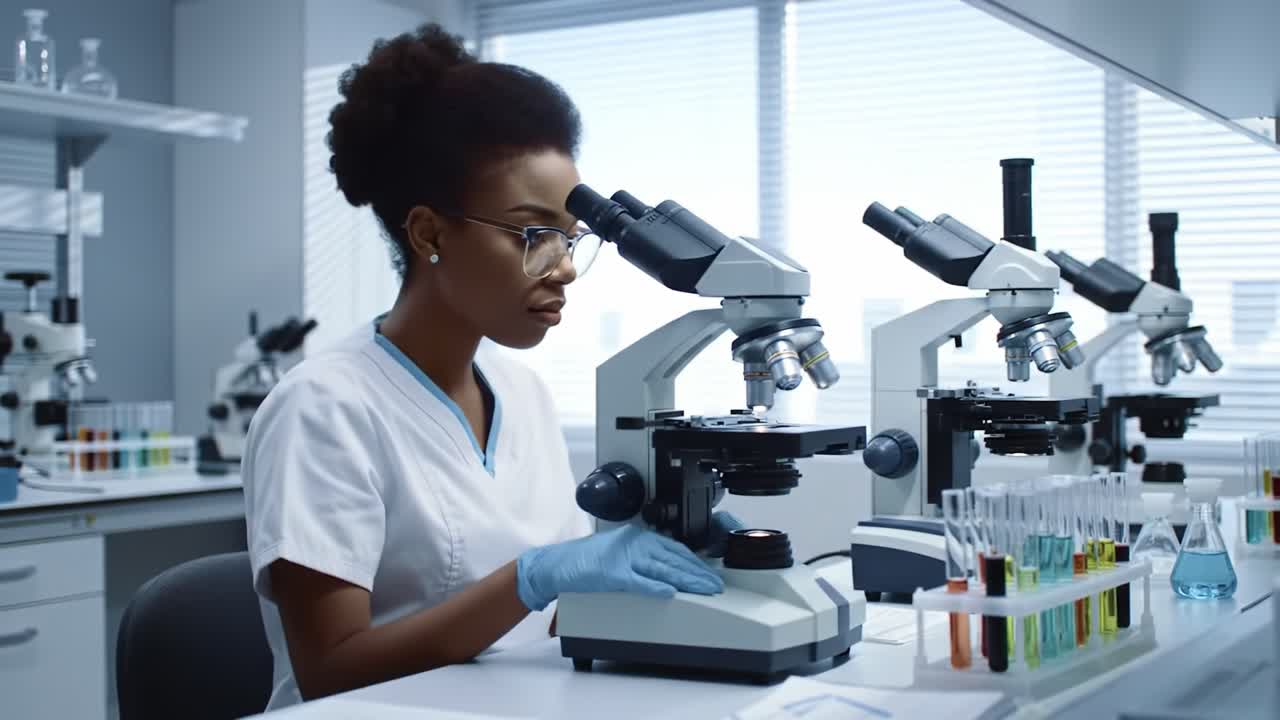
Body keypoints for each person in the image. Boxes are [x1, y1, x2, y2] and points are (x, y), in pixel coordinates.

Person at [242, 23, 737, 710]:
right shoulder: (324, 407)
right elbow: (331, 669)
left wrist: (668, 556)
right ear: (429, 233)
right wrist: (530, 578)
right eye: (535, 235)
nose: (564, 267)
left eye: (570, 238)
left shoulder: (522, 394)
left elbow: (558, 621)